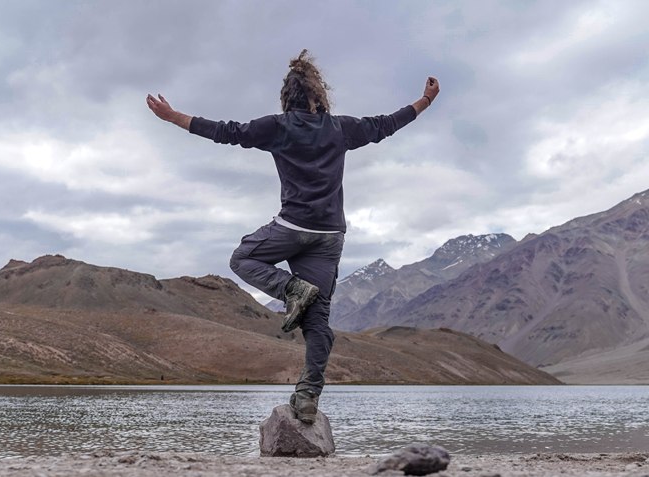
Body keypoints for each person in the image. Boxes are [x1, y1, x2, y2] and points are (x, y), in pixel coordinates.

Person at [147, 49, 439, 423]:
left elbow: (227, 132)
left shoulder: (278, 126)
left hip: (293, 227)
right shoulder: (341, 128)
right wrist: (426, 101)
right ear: (319, 95)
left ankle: (291, 291)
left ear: (288, 97)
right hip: (331, 235)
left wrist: (174, 117)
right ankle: (307, 398)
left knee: (242, 258)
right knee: (318, 322)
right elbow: (385, 124)